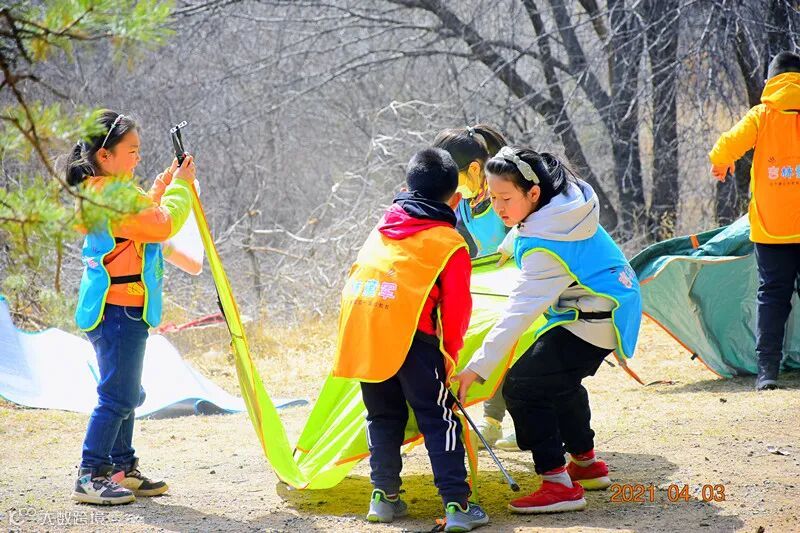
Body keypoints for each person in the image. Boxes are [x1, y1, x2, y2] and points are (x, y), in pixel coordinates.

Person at [454, 146, 642, 513]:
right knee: (558, 380)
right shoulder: (564, 204)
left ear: (533, 192)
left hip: (593, 319)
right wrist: (509, 244)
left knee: (523, 386)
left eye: (506, 198)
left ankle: (557, 485)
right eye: (493, 197)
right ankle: (586, 464)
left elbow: (517, 314)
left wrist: (475, 368)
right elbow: (529, 226)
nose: (498, 207)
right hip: (612, 302)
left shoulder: (546, 247)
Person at [332, 147, 489, 531]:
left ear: (406, 188)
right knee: (439, 418)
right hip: (413, 340)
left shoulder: (381, 227)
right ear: (455, 200)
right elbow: (457, 311)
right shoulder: (449, 243)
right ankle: (457, 506)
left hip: (365, 334)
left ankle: (383, 497)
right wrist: (450, 357)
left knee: (382, 416)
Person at [67, 110, 196, 504]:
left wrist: (164, 183)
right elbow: (160, 224)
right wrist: (182, 187)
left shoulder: (107, 191)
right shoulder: (113, 196)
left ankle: (122, 467)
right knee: (119, 396)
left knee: (125, 391)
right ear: (105, 156)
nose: (138, 156)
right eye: (132, 150)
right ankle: (91, 474)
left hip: (117, 311)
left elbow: (143, 216)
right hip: (119, 311)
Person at [709, 50, 800, 390]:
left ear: (770, 81)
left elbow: (724, 148)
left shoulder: (761, 116)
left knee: (773, 297)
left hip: (771, 229)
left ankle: (767, 373)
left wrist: (722, 162)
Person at [433, 124, 516, 450]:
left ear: (475, 170)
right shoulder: (466, 202)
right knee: (490, 347)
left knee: (520, 356)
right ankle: (492, 422)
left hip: (523, 280)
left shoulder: (504, 189)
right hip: (495, 285)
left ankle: (534, 425)